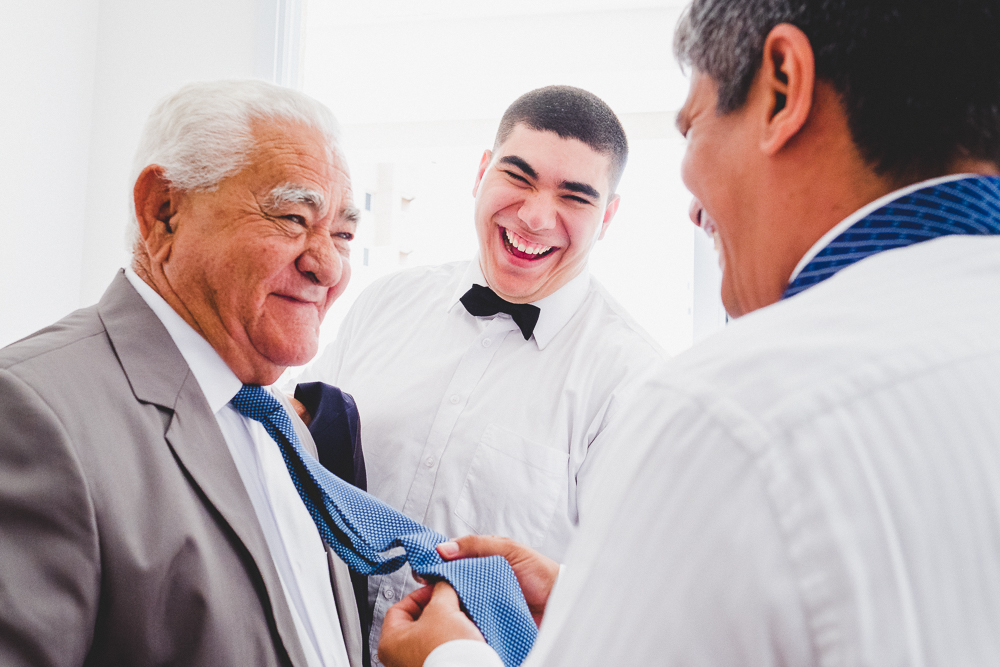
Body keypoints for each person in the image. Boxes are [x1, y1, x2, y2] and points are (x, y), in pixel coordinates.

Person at [377, 0, 1000, 665]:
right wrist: (603, 608)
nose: (694, 206)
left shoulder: (726, 410)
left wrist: (447, 659)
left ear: (782, 87)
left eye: (693, 124)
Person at [0, 80, 367, 666]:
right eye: (294, 217)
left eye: (344, 235)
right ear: (163, 211)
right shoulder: (28, 412)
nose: (327, 265)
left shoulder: (283, 427)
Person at [293, 85, 665, 661]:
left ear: (608, 217)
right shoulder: (382, 304)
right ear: (481, 173)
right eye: (518, 177)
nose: (537, 216)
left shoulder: (634, 385)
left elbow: (634, 610)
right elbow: (300, 462)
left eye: (575, 197)